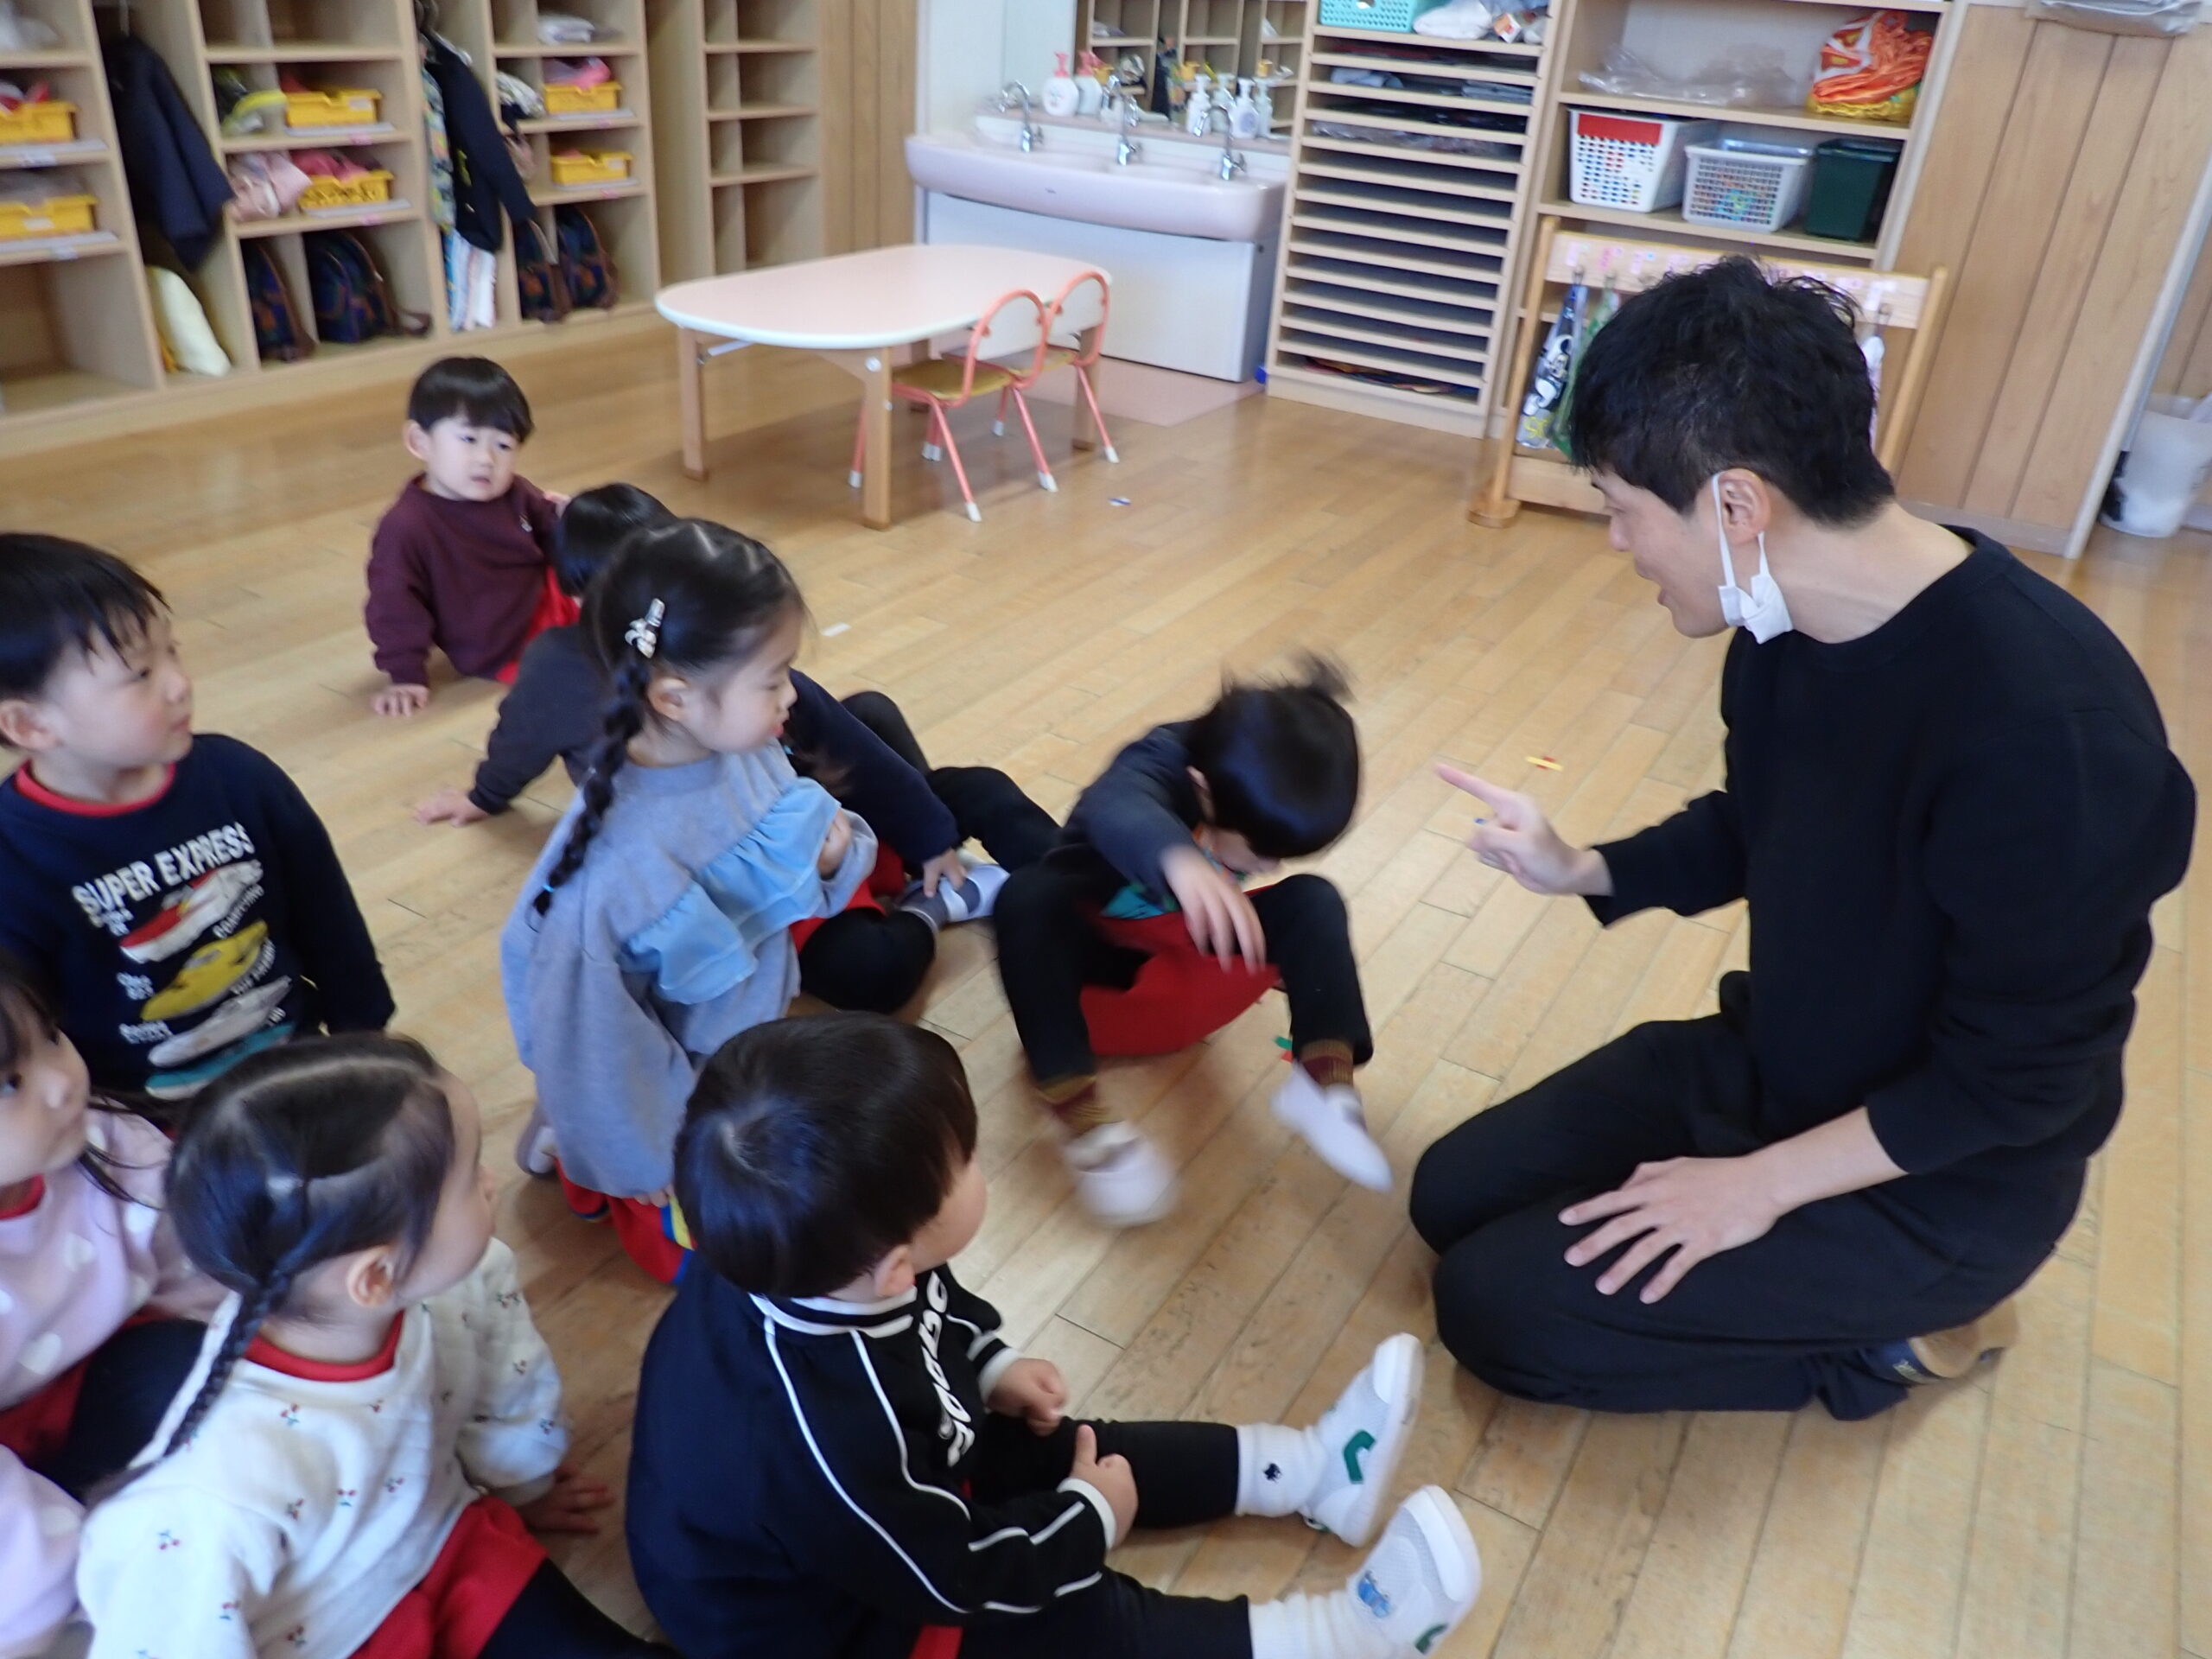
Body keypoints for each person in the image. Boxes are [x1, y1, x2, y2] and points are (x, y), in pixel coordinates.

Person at [1415, 257, 2196, 1420]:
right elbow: (1760, 824)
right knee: (1451, 1196)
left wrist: (1756, 1189)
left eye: (1624, 510)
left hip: (1938, 1178)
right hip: (1782, 1064)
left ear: (1737, 506)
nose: (1618, 543)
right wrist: (1582, 868)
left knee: (1497, 1310)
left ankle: (1899, 1342)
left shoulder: (2055, 741)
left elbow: (2020, 1082)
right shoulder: (1779, 627)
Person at [626, 1013, 1482, 1659]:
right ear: (892, 1264)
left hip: (866, 1507)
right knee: (1073, 1615)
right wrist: (1088, 1520)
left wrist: (986, 1362)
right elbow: (952, 1576)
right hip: (818, 1621)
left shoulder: (800, 1255)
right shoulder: (822, 1439)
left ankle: (1314, 1472)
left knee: (1071, 1445)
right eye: (966, 1161)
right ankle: (1341, 1638)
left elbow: (928, 1308)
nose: (981, 1163)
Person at [75, 1032, 668, 1659]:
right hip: (326, 1635)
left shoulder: (464, 1279)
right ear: (376, 1277)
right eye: (470, 1175)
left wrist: (527, 1485)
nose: (492, 1181)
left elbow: (506, 1388)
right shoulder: (214, 1494)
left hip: (444, 1543)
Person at [415, 484, 1058, 1021]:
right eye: (771, 680)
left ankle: (1079, 890)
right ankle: (931, 900)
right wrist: (484, 795)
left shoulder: (739, 682)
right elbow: (523, 742)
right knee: (872, 972)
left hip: (828, 824)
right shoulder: (618, 769)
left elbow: (853, 750)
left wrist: (927, 836)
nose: (783, 690)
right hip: (789, 879)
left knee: (892, 731)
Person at [497, 518, 882, 1284]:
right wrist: (649, 1155)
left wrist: (833, 856)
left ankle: (574, 1129)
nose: (791, 694)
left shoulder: (744, 747)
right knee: (714, 1264)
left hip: (731, 1050)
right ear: (675, 696)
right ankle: (575, 1142)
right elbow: (597, 1041)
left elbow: (783, 866)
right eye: (772, 678)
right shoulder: (612, 877)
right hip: (652, 1086)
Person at [0, 534, 392, 1098]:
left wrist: (364, 1028)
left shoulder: (240, 777)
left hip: (295, 1066)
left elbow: (327, 914)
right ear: (31, 725)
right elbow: (23, 1033)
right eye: (141, 673)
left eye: (174, 652)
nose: (180, 683)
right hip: (141, 1117)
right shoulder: (14, 857)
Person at [993, 658, 1382, 1227]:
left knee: (1314, 900)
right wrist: (1178, 859)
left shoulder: (1249, 782)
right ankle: (1084, 1122)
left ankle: (1324, 1080)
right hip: (1106, 971)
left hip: (1192, 958)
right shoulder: (1163, 760)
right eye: (1260, 852)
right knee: (1026, 896)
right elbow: (1117, 801)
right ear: (1203, 790)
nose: (1268, 866)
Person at [0, 949, 219, 1659]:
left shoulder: (110, 1141)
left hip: (89, 1402)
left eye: (52, 1037)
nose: (64, 1081)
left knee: (197, 1366)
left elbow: (203, 1283)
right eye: (9, 1083)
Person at [365, 357, 573, 718]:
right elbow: (393, 605)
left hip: (553, 602)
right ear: (420, 442)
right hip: (508, 645)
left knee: (619, 562)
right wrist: (405, 674)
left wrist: (568, 519)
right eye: (469, 438)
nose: (487, 459)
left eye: (503, 446)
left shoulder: (515, 492)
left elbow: (553, 534)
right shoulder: (407, 526)